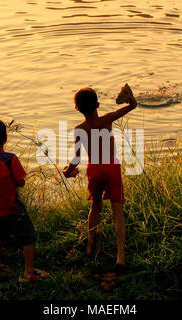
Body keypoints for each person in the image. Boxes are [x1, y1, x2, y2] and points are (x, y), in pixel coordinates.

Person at [63, 84, 137, 273]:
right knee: (117, 212)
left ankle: (90, 245)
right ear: (98, 104)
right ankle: (120, 257)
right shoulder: (107, 119)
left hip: (94, 169)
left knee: (95, 206)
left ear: (77, 109)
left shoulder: (79, 129)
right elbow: (132, 106)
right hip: (111, 167)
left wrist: (67, 170)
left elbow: (76, 158)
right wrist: (129, 96)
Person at [0, 118, 49, 281]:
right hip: (13, 207)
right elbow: (20, 182)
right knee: (28, 236)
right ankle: (28, 272)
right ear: (5, 138)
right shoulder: (10, 158)